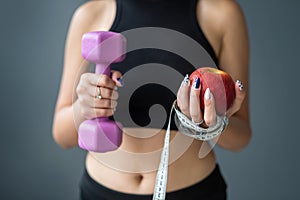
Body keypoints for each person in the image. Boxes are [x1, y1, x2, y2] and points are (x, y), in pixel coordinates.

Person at [52, 0, 251, 199]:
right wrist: (84, 107)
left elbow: (241, 137)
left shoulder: (221, 13)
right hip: (101, 192)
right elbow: (62, 135)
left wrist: (209, 126)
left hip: (193, 192)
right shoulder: (90, 14)